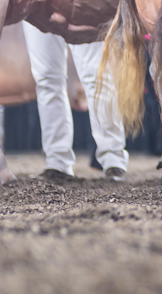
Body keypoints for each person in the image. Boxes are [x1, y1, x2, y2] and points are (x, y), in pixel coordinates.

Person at [23, 23, 128, 181]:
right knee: (46, 78)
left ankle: (113, 160)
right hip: (36, 8)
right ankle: (57, 161)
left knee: (96, 73)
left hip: (80, 6)